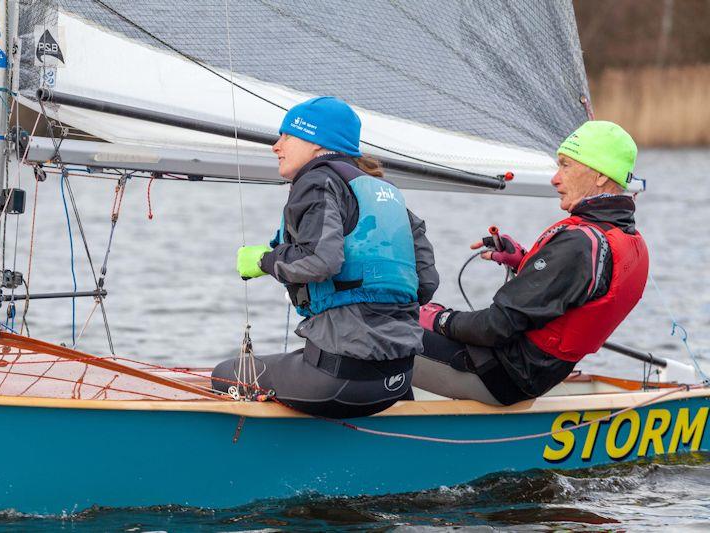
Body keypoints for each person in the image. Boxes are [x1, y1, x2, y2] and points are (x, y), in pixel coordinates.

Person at [211, 96, 439, 418]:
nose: (276, 145)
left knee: (225, 373)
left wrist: (264, 260)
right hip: (396, 380)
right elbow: (425, 283)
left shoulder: (316, 181)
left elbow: (321, 260)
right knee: (299, 358)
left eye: (287, 135)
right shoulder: (385, 194)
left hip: (339, 380)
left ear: (317, 143)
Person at [414, 120, 648, 406]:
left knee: (373, 329)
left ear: (599, 176)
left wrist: (438, 318)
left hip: (498, 375)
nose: (554, 179)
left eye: (565, 165)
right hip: (532, 375)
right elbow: (571, 290)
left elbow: (494, 327)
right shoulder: (624, 236)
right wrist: (525, 261)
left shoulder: (578, 245)